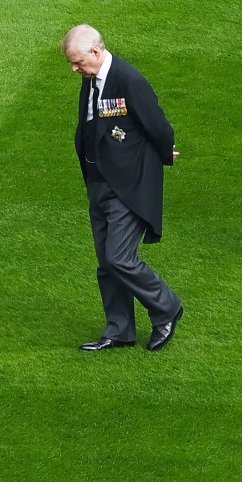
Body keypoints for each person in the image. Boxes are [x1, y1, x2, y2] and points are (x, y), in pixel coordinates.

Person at [64, 25, 184, 352]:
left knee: (120, 258)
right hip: (98, 184)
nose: (74, 68)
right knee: (106, 262)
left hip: (127, 186)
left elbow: (159, 127)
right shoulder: (90, 82)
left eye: (77, 62)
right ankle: (119, 330)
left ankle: (167, 308)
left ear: (95, 51)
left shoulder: (130, 81)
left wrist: (163, 153)